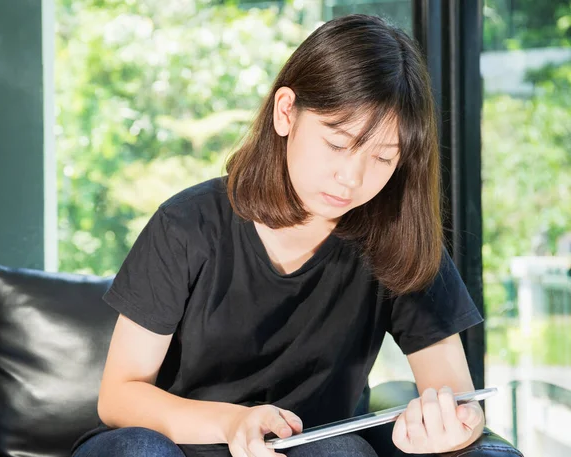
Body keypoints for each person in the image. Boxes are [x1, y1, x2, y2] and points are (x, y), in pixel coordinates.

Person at [72, 14, 485, 457]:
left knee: (340, 452)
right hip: (179, 444)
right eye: (337, 144)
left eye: (383, 159)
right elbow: (118, 396)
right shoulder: (186, 225)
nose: (351, 178)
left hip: (307, 449)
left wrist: (452, 428)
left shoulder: (397, 241)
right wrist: (233, 423)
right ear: (286, 111)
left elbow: (458, 398)